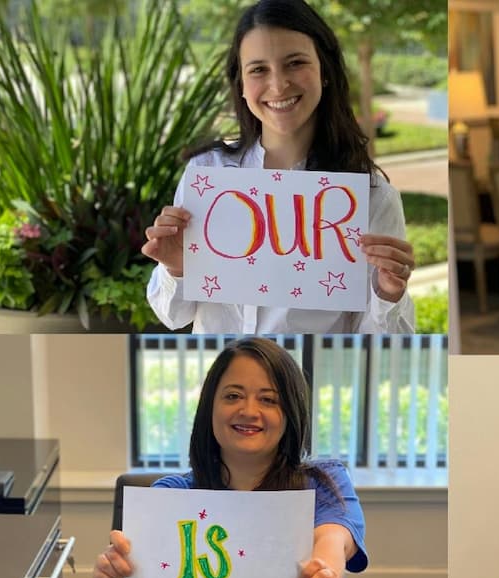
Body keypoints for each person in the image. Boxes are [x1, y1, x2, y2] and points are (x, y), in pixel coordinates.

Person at [143, 0, 415, 334]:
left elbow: (377, 343)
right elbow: (173, 316)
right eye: (258, 69)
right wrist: (176, 267)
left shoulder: (372, 197)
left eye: (295, 63)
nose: (278, 85)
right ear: (241, 84)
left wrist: (388, 293)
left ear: (325, 72)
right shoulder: (206, 175)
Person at [92, 336, 367, 578]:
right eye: (233, 395)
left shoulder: (325, 483)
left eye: (268, 400)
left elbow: (332, 541)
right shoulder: (171, 496)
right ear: (210, 407)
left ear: (291, 412)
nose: (249, 411)